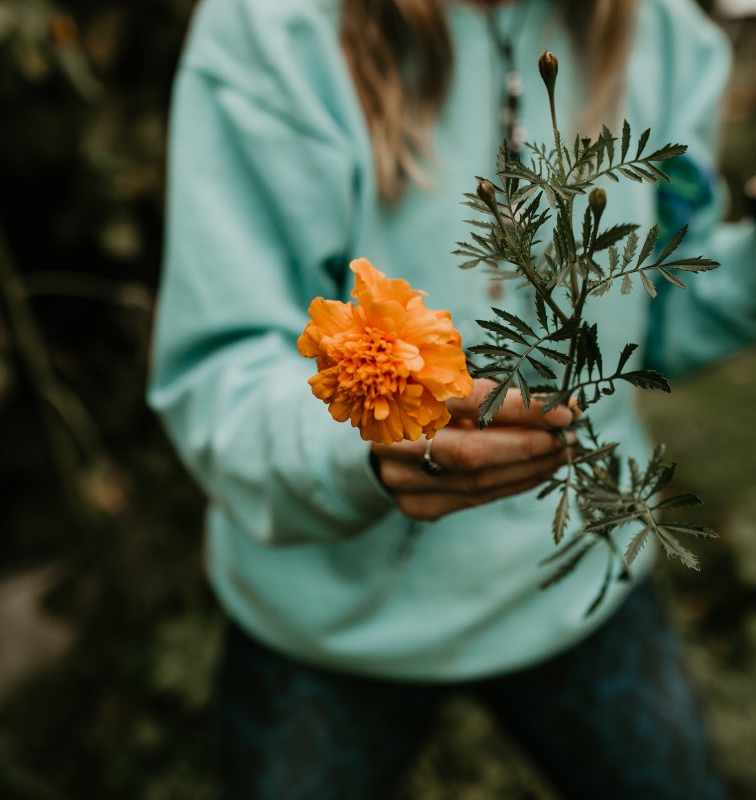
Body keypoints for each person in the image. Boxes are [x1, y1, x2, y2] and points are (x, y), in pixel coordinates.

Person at [148, 0, 756, 796]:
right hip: (333, 621)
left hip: (579, 578)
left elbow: (656, 315)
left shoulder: (665, 33)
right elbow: (220, 372)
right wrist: (360, 444)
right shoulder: (269, 30)